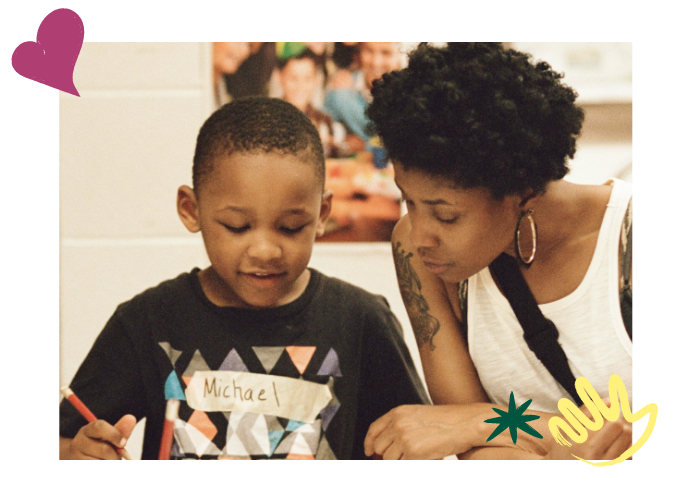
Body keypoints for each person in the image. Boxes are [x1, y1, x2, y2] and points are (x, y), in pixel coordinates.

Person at [58, 97, 429, 464]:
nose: (265, 251)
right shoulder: (147, 321)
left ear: (322, 215)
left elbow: (422, 450)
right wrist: (77, 456)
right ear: (191, 210)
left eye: (290, 227)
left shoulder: (361, 320)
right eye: (237, 227)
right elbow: (50, 448)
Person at [362, 43, 634, 463]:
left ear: (520, 189)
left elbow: (464, 425)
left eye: (446, 216)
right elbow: (477, 454)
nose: (419, 235)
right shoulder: (420, 256)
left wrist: (481, 422)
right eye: (408, 201)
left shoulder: (639, 240)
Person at [277, 46, 364, 157]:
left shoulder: (324, 120)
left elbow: (338, 151)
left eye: (307, 78)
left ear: (316, 80)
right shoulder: (268, 118)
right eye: (293, 78)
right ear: (279, 76)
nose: (300, 86)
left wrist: (340, 145)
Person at [323, 42, 402, 144]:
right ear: (359, 52)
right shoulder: (340, 92)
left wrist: (364, 146)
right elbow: (323, 134)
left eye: (386, 53)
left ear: (400, 56)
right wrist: (342, 142)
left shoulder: (411, 96)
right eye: (369, 51)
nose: (376, 62)